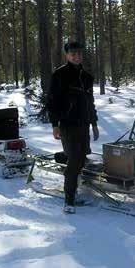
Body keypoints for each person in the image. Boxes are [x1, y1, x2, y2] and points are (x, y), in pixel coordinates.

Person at [47, 41, 99, 214]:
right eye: (73, 54)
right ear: (67, 55)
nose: (77, 57)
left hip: (84, 124)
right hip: (67, 124)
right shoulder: (60, 75)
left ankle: (64, 157)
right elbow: (52, 102)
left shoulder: (86, 77)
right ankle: (69, 199)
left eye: (79, 54)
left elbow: (90, 103)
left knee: (83, 156)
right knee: (76, 160)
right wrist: (55, 125)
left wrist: (94, 123)